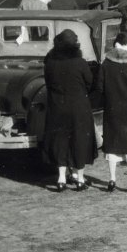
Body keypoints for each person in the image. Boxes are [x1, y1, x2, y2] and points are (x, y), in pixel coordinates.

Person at [42, 29, 97, 191]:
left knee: (60, 141)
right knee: (79, 141)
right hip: (79, 108)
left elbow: (48, 83)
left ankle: (60, 179)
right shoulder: (80, 63)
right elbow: (89, 83)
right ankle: (79, 179)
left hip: (57, 107)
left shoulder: (50, 63)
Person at [94, 32, 127, 193]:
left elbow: (99, 87)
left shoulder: (106, 63)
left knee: (112, 145)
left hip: (112, 109)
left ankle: (112, 179)